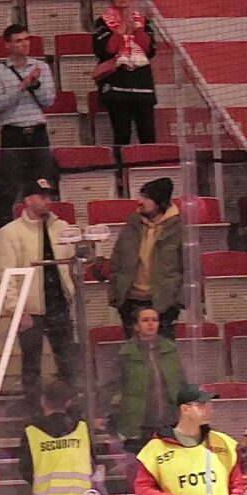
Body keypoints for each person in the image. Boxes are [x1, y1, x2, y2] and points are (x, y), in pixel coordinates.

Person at [0, 177, 77, 402]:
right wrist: (15, 309)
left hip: (59, 305)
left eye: (49, 196)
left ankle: (69, 408)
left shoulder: (62, 228)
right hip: (30, 309)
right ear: (29, 200)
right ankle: (34, 412)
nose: (48, 201)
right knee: (31, 365)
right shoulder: (10, 233)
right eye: (42, 196)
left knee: (68, 363)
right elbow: (5, 276)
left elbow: (73, 263)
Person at [0, 24, 57, 232]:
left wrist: (35, 85)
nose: (24, 44)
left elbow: (49, 100)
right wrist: (21, 87)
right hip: (12, 132)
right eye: (18, 41)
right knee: (10, 183)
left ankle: (42, 224)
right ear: (8, 45)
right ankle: (8, 227)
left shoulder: (42, 67)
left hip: (38, 132)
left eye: (27, 39)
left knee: (42, 182)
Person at [109, 178, 184, 336]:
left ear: (160, 202)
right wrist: (118, 297)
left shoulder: (179, 229)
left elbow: (190, 268)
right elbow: (116, 260)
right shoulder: (131, 225)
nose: (140, 201)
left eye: (146, 197)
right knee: (133, 351)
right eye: (141, 196)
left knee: (164, 350)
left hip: (164, 305)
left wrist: (177, 302)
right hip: (131, 302)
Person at [110, 307, 183, 450]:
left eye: (154, 320)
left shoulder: (170, 350)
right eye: (145, 320)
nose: (150, 324)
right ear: (136, 326)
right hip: (139, 422)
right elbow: (112, 383)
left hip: (169, 420)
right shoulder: (126, 354)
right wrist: (100, 412)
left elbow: (181, 382)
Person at [21, 379, 95, 495]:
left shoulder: (31, 432)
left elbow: (25, 469)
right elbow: (93, 462)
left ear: (42, 400)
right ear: (68, 402)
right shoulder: (82, 428)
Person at [93, 0, 157, 146]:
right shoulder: (102, 22)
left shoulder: (143, 21)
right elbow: (104, 51)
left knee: (148, 136)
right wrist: (119, 32)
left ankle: (150, 161)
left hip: (143, 87)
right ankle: (121, 162)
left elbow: (150, 51)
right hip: (117, 88)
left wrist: (137, 30)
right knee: (122, 136)